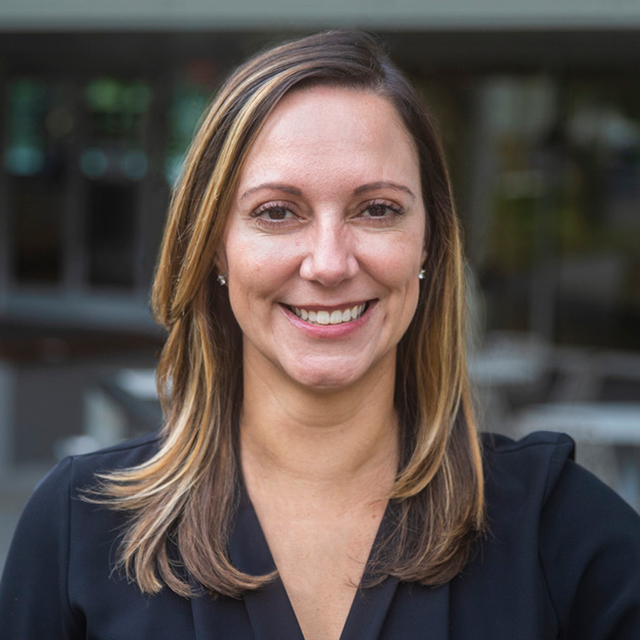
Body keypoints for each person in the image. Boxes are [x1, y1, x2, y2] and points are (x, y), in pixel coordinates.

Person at [1, 30, 639, 640]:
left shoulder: (558, 531)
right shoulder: (79, 527)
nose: (330, 263)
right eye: (277, 212)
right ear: (215, 249)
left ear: (429, 242)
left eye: (377, 209)